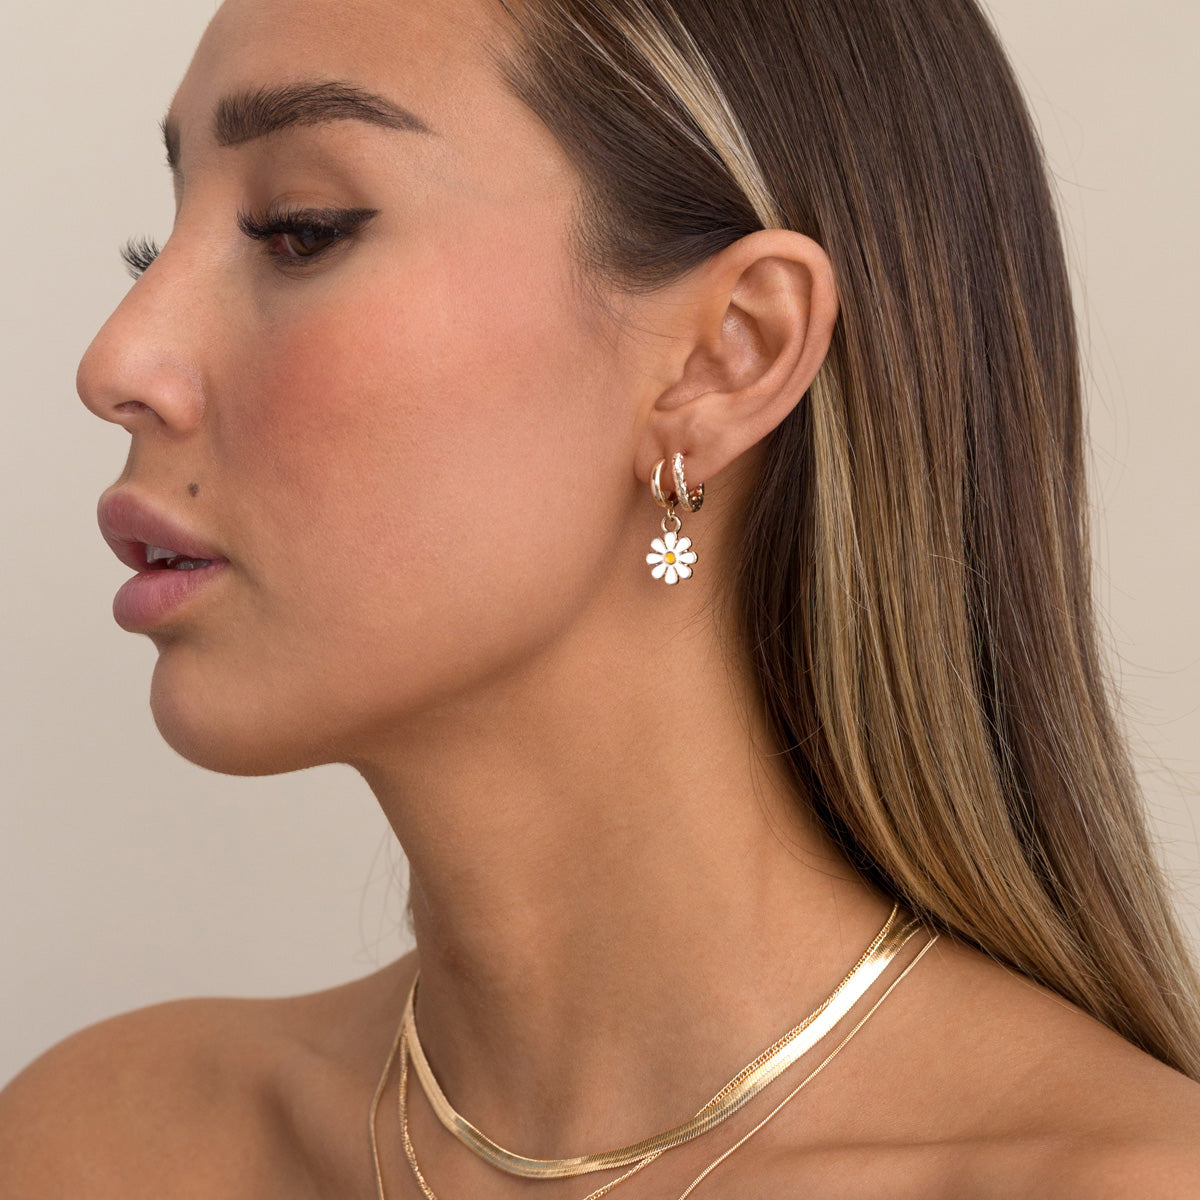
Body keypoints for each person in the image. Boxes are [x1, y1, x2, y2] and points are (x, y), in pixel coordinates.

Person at [4, 0, 1200, 1194]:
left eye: (298, 230)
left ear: (726, 355)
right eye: (151, 251)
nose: (117, 363)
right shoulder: (101, 1151)